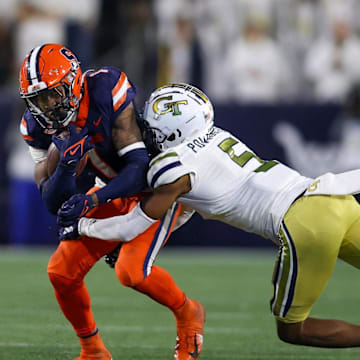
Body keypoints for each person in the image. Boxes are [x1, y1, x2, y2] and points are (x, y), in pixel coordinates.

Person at [61, 83, 360, 348]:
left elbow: (131, 226)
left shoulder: (173, 166)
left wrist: (84, 225)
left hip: (306, 224)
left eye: (150, 128)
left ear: (172, 132)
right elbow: (186, 207)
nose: (145, 134)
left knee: (294, 330)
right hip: (333, 196)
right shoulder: (215, 137)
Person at [19, 45, 205, 360]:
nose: (48, 105)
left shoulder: (106, 90)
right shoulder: (36, 126)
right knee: (61, 272)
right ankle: (93, 350)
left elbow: (138, 169)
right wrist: (65, 165)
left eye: (53, 94)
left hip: (159, 186)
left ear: (74, 82)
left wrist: (92, 199)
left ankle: (189, 313)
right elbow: (51, 201)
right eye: (38, 99)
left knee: (131, 272)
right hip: (114, 189)